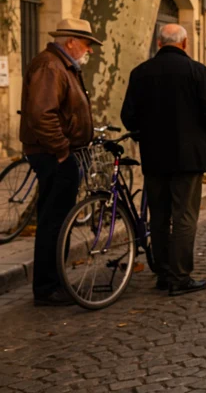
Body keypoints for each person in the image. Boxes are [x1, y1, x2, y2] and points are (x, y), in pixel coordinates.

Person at [121, 24, 206, 295]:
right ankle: (180, 276)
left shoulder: (140, 73)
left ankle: (164, 272)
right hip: (189, 156)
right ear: (185, 43)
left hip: (154, 156)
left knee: (160, 216)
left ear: (158, 42)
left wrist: (147, 135)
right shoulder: (197, 71)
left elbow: (128, 117)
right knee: (185, 215)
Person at [19, 18, 100, 306]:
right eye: (87, 44)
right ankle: (48, 286)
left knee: (58, 219)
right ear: (71, 42)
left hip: (59, 153)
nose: (88, 50)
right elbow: (43, 113)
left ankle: (53, 282)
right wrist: (62, 149)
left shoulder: (62, 65)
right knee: (55, 221)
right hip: (54, 155)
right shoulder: (51, 65)